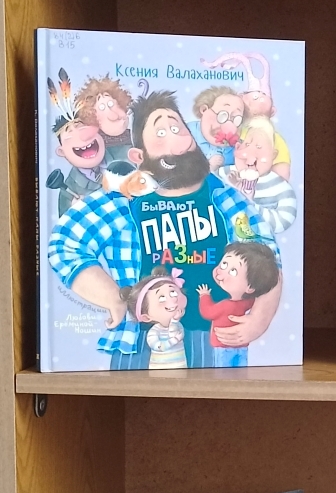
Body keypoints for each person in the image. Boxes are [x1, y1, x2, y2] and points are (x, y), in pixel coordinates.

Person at [46, 90, 280, 370]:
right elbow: (64, 243)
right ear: (139, 156)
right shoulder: (124, 200)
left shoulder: (224, 197)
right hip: (138, 337)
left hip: (214, 337)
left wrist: (260, 318)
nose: (176, 140)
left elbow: (268, 255)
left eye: (177, 128)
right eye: (160, 132)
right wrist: (112, 297)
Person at [198, 241, 280, 364]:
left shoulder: (226, 305)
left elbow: (207, 312)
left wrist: (204, 296)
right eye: (224, 264)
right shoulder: (248, 302)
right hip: (241, 347)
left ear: (250, 288)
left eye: (233, 271)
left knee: (224, 370)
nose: (221, 270)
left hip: (223, 346)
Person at [132, 269, 188, 370]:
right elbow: (159, 347)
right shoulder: (154, 332)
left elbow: (174, 333)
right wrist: (174, 340)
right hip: (159, 372)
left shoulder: (178, 325)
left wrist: (174, 322)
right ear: (146, 317)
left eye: (173, 292)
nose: (173, 299)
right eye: (162, 298)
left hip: (181, 368)